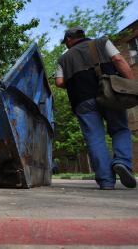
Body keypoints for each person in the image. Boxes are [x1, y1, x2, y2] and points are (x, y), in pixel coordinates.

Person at [55, 26, 136, 190]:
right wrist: (132, 84)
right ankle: (122, 162)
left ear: (69, 39)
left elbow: (59, 82)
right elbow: (119, 60)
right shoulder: (102, 42)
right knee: (120, 129)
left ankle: (106, 181)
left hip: (82, 100)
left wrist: (77, 81)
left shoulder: (63, 59)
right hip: (109, 93)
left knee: (94, 137)